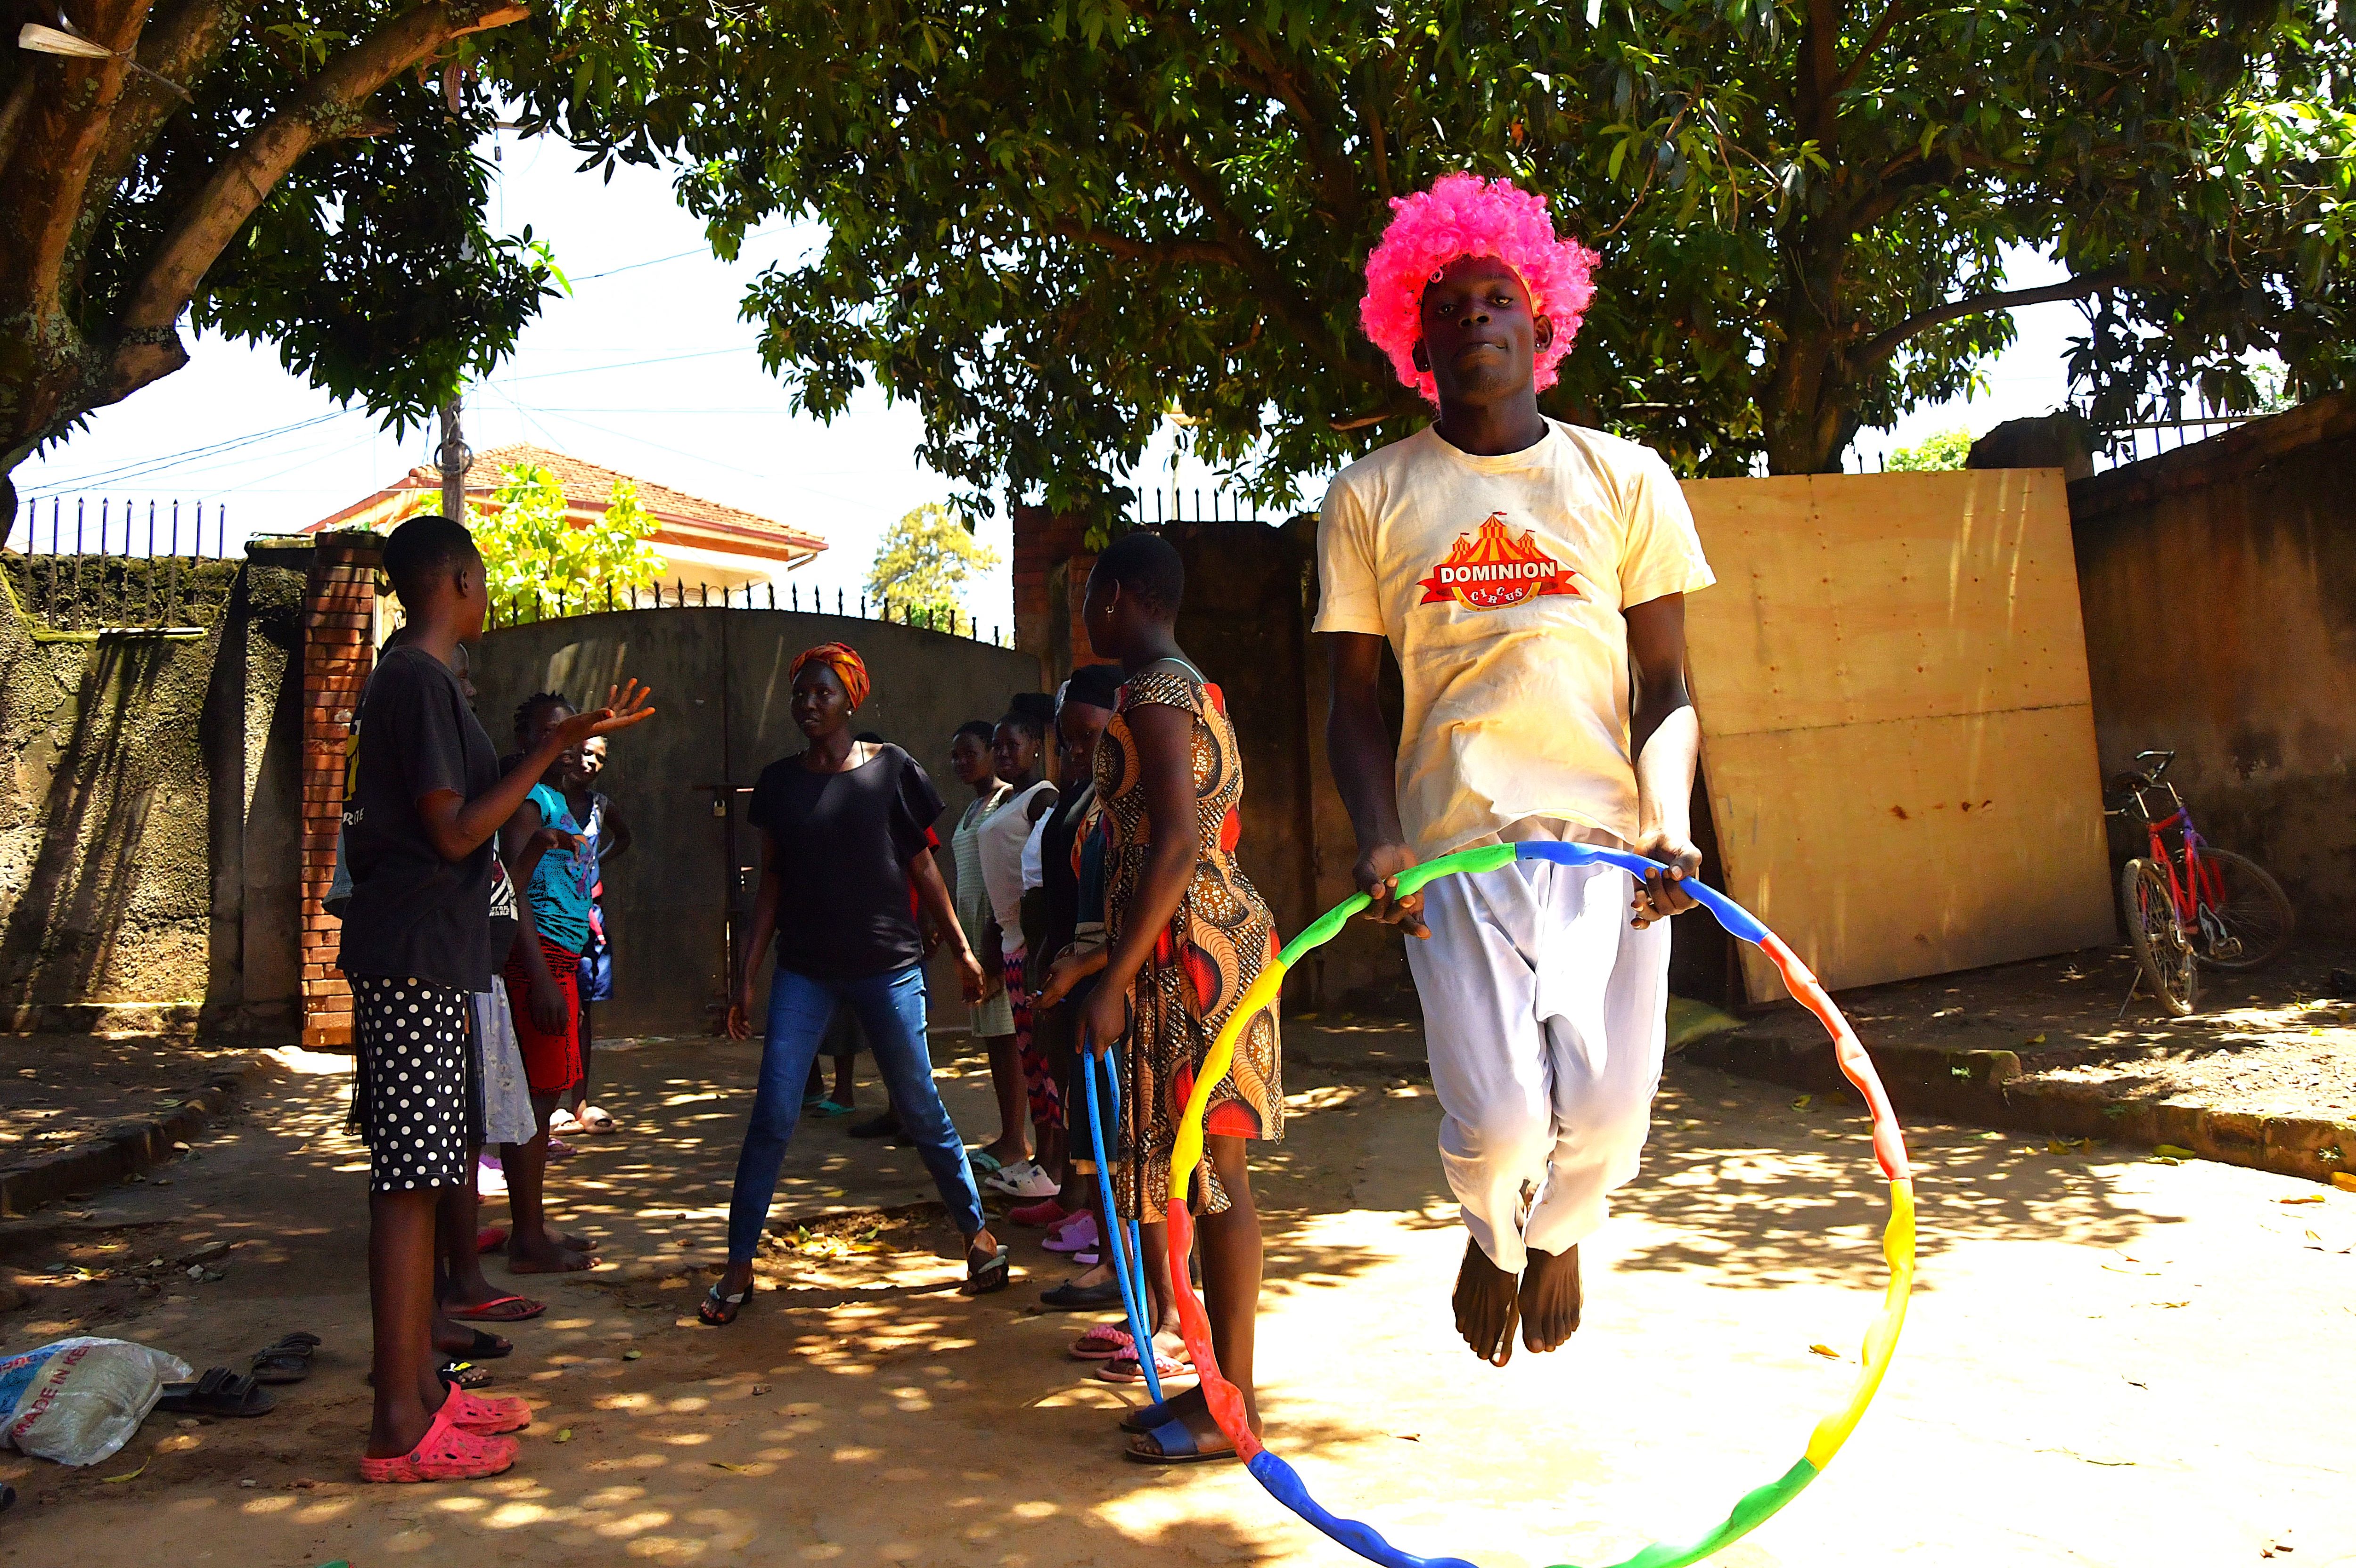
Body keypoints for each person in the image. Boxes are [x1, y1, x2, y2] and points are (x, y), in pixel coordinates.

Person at [1317, 173, 1716, 1366]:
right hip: (1455, 847)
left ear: (1544, 323)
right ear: (1416, 337)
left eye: (1501, 297)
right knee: (1495, 1124)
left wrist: (1670, 822)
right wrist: (1381, 838)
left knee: (1609, 1115)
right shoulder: (1373, 494)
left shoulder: (1625, 477)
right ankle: (1496, 1237)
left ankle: (1561, 1232)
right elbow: (1348, 702)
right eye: (1450, 303)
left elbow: (1667, 690)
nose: (1477, 317)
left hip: (1608, 845)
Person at [338, 513, 651, 1481]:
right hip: (413, 954)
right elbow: (455, 827)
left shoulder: (421, 681)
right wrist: (546, 747)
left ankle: (425, 1389)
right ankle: (399, 1417)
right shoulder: (418, 680)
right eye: (482, 575)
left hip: (434, 954)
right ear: (460, 578)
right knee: (408, 1179)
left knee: (431, 1168)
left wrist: (560, 742)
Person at [707, 642, 1005, 1323]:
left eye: (822, 694)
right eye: (800, 694)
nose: (808, 705)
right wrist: (744, 979)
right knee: (774, 1115)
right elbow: (771, 884)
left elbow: (925, 869)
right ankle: (739, 1265)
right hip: (805, 974)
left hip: (890, 970)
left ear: (851, 700)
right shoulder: (780, 783)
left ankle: (978, 1236)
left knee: (921, 1106)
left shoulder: (893, 770)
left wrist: (961, 951)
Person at [1077, 531, 1282, 1464]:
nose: (1086, 614)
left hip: (1194, 954)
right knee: (1195, 1176)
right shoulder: (1182, 683)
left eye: (1090, 596)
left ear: (1120, 595)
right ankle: (1212, 1388)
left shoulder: (1156, 689)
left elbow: (1173, 842)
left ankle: (1232, 1410)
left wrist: (1113, 981)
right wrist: (1101, 960)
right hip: (1190, 944)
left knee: (1220, 1177)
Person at [496, 692, 603, 1274]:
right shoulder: (529, 800)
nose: (565, 744)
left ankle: (532, 1229)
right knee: (533, 1106)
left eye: (570, 733)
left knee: (544, 1099)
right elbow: (511, 888)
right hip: (538, 962)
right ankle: (527, 1239)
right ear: (526, 741)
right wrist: (537, 975)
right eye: (550, 733)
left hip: (559, 959)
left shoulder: (557, 800)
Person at [976, 697, 1062, 1202]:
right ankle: (1038, 1162)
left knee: (1044, 1061)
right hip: (1009, 943)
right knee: (1029, 1059)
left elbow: (1041, 871)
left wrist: (1037, 946)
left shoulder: (1043, 798)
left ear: (1036, 745)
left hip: (1031, 944)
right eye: (997, 746)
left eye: (1013, 744)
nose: (1003, 752)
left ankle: (1053, 1166)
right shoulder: (1005, 800)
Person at [939, 719, 1023, 1163]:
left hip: (996, 933)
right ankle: (1008, 1134)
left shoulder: (1005, 802)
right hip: (973, 931)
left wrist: (990, 956)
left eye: (971, 752)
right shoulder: (972, 810)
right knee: (993, 1037)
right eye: (956, 755)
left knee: (1009, 1040)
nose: (962, 762)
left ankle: (1015, 1140)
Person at [554, 733, 630, 1136]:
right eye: (583, 752)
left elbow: (625, 838)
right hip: (550, 917)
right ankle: (548, 1102)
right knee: (553, 1007)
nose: (588, 763)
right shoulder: (546, 799)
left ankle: (579, 1102)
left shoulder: (601, 807)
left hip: (588, 919)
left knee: (583, 1009)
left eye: (598, 758)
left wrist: (597, 864)